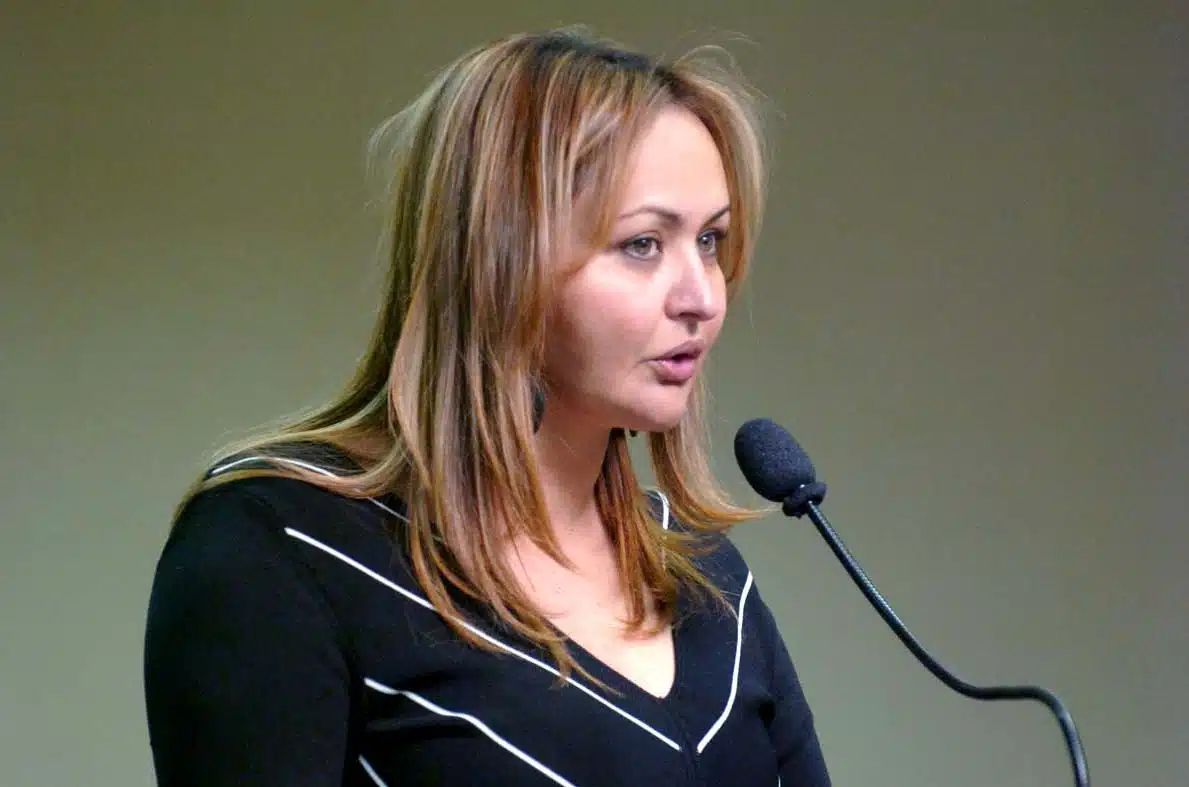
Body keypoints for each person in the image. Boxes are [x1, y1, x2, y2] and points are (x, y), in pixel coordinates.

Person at [143, 28, 831, 787]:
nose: (702, 297)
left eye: (710, 241)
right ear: (499, 259)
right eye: (642, 244)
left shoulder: (705, 576)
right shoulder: (281, 547)